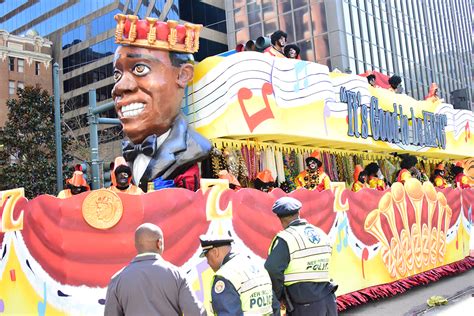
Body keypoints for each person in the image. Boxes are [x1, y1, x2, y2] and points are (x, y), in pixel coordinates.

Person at [112, 14, 211, 193]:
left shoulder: (196, 150)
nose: (119, 87)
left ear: (183, 75)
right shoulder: (125, 160)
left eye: (140, 68)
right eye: (117, 74)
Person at [104, 223, 205, 315]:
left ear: (136, 245)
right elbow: (196, 313)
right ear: (159, 243)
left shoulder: (117, 280)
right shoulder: (176, 275)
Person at [265, 197, 337, 316]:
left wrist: (278, 296)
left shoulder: (286, 238)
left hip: (305, 304)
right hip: (328, 299)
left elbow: (272, 269)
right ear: (299, 213)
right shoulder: (320, 233)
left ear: (280, 218)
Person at [199, 234, 279, 315]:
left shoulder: (225, 276)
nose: (208, 262)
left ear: (215, 252)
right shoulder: (257, 266)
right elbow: (275, 307)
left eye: (207, 257)